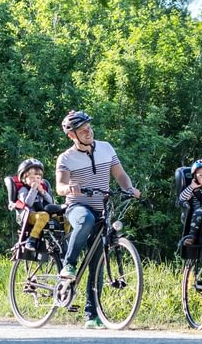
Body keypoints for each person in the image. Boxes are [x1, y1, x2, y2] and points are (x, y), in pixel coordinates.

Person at [55, 110, 141, 329]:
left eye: (88, 127)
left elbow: (120, 175)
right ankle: (68, 266)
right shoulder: (66, 158)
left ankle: (92, 315)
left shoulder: (106, 148)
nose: (88, 131)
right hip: (78, 206)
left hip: (101, 208)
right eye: (81, 129)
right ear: (72, 135)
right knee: (85, 220)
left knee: (97, 263)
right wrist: (69, 188)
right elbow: (60, 186)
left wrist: (129, 188)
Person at [15, 158, 55, 252]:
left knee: (64, 217)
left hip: (41, 214)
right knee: (44, 216)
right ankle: (31, 239)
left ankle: (61, 242)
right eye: (32, 178)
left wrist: (42, 192)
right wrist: (33, 190)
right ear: (24, 179)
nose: (35, 180)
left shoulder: (41, 189)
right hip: (29, 215)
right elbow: (28, 203)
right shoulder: (23, 190)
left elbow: (51, 202)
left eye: (38, 178)